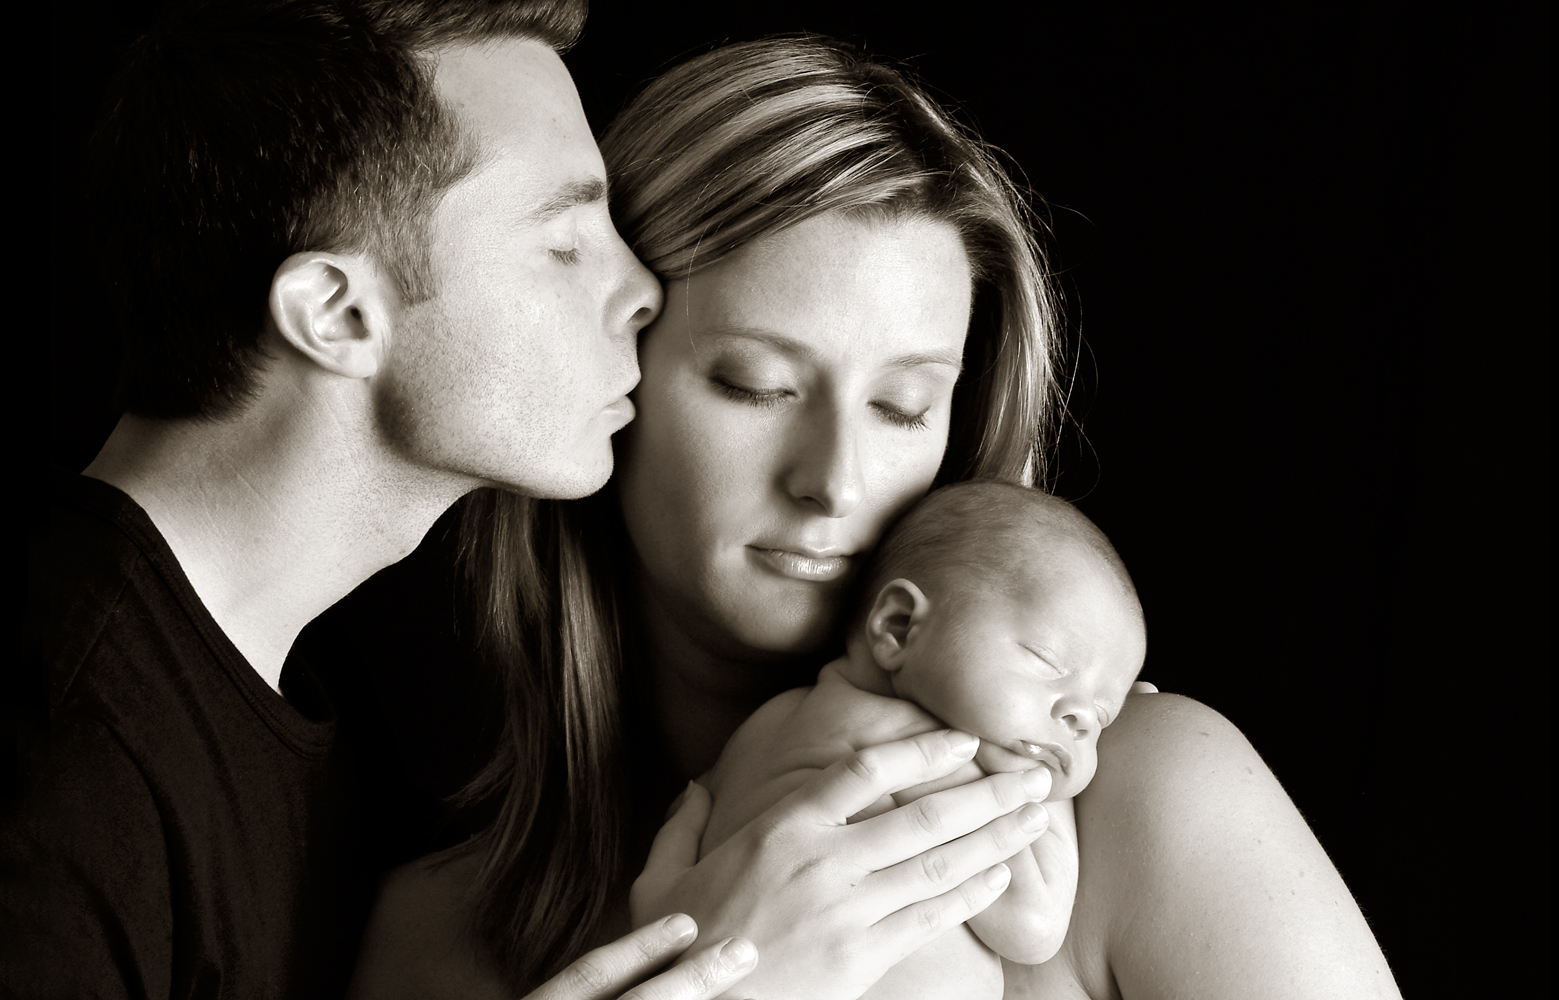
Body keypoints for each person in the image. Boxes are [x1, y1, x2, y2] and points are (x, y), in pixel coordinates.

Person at [344, 32, 1401, 1000]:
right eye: (755, 385)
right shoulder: (434, 936)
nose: (834, 481)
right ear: (609, 367)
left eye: (903, 406)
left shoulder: (1141, 796)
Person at [4, 2, 843, 997]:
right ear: (335, 312)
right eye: (565, 243)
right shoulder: (53, 760)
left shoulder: (297, 698)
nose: (642, 288)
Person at [699, 480, 1151, 999]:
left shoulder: (764, 728)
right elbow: (1032, 925)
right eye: (1047, 661)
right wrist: (1042, 792)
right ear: (898, 626)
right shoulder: (927, 758)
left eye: (1102, 715)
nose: (1078, 720)